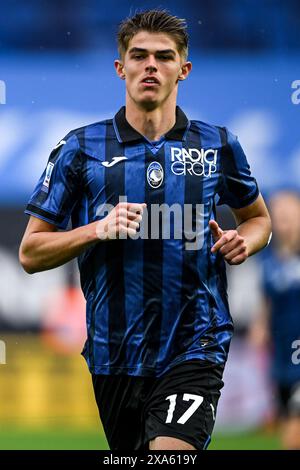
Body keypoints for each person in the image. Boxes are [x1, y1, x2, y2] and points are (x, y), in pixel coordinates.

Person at [19, 9, 271, 451]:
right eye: (139, 56)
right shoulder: (80, 148)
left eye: (163, 56)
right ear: (121, 67)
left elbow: (259, 220)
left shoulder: (218, 145)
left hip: (196, 342)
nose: (150, 65)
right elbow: (30, 253)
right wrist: (96, 230)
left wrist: (243, 241)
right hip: (113, 353)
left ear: (183, 69)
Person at [250, 190, 300, 449]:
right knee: (287, 424)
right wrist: (261, 325)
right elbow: (267, 302)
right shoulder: (269, 262)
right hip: (281, 357)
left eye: (290, 216)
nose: (284, 223)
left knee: (294, 432)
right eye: (279, 217)